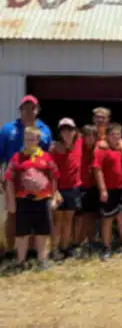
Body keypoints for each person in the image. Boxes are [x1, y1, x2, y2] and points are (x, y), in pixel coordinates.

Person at [0, 94, 52, 258]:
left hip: (36, 181)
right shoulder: (8, 129)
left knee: (34, 215)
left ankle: (30, 251)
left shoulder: (44, 130)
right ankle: (10, 250)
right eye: (25, 108)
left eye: (32, 108)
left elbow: (49, 157)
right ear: (20, 110)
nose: (29, 111)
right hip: (14, 180)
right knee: (12, 214)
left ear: (37, 110)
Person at [3, 126, 60, 271]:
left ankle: (42, 260)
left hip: (43, 200)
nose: (30, 141)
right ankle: (20, 261)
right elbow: (9, 179)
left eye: (33, 138)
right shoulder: (17, 157)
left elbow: (54, 177)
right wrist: (10, 201)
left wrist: (53, 198)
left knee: (43, 232)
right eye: (27, 138)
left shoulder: (46, 157)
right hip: (23, 200)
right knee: (22, 233)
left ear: (38, 140)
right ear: (24, 139)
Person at [93, 123, 122, 260]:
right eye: (113, 135)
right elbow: (97, 170)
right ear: (107, 136)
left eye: (118, 135)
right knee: (107, 218)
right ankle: (106, 248)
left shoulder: (121, 149)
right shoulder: (101, 150)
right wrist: (103, 190)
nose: (116, 137)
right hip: (109, 189)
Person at [50, 118, 82, 260]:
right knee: (57, 220)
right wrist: (54, 191)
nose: (67, 132)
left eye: (70, 129)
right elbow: (51, 172)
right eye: (64, 130)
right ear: (60, 132)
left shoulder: (79, 142)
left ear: (75, 131)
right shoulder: (55, 148)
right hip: (59, 189)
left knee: (69, 219)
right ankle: (55, 249)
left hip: (74, 188)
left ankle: (64, 247)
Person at [73, 125, 99, 256]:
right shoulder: (78, 145)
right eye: (88, 135)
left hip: (93, 186)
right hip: (79, 186)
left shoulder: (98, 147)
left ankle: (90, 242)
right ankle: (76, 243)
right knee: (78, 217)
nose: (90, 138)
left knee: (91, 216)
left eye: (93, 135)